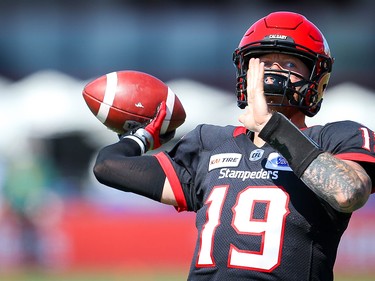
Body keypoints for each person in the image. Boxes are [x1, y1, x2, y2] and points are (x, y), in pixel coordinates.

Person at [93, 11, 375, 280]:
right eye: (263, 63)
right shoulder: (210, 143)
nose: (273, 74)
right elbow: (108, 166)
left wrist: (271, 127)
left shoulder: (336, 138)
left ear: (316, 79)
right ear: (246, 72)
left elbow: (349, 193)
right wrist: (142, 135)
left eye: (289, 65)